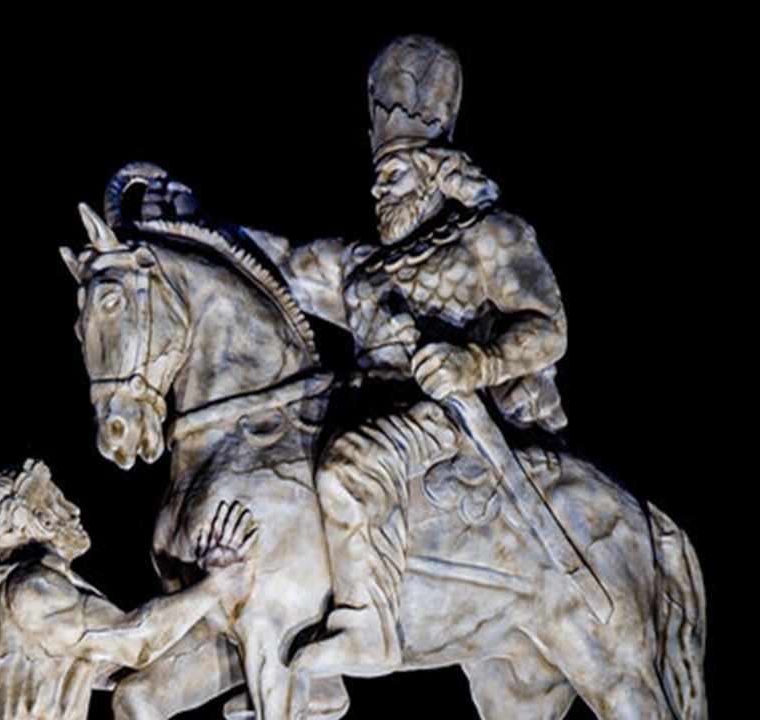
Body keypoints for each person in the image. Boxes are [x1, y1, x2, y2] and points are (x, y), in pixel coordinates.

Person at [258, 35, 570, 676]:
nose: (378, 192)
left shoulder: (489, 236)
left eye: (393, 176)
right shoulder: (360, 264)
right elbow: (278, 262)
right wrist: (191, 224)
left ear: (436, 174)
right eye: (376, 179)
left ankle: (367, 629)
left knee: (348, 468)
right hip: (361, 403)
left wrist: (474, 363)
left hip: (444, 412)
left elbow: (548, 329)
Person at [0, 459, 257, 720]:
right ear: (35, 518)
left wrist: (242, 659)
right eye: (54, 499)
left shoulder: (45, 593)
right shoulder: (33, 591)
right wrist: (217, 583)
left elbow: (133, 668)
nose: (73, 510)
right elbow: (136, 640)